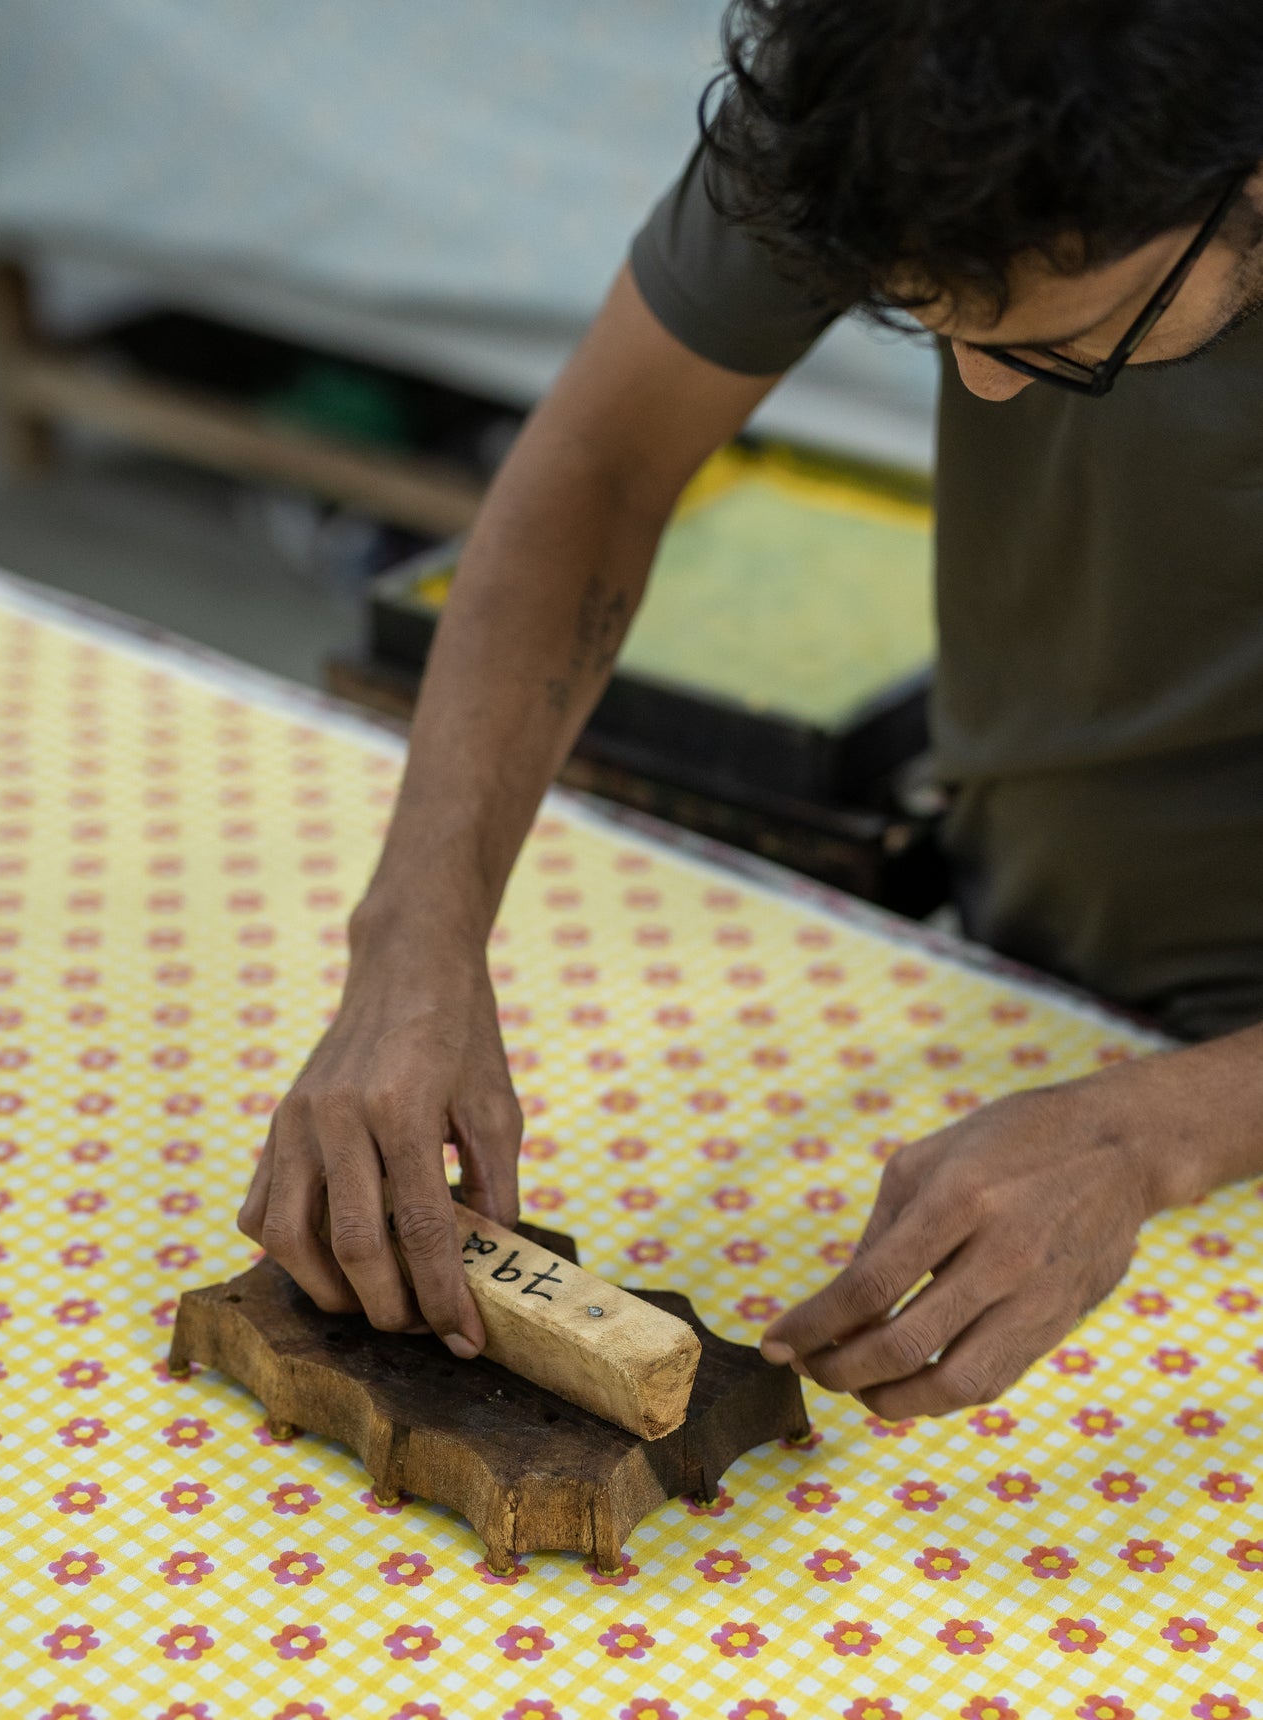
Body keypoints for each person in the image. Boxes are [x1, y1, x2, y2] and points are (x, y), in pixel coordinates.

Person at [240, 0, 1263, 1419]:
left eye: (1063, 345)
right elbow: (604, 452)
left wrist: (1155, 1135)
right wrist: (412, 938)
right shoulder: (894, 65)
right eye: (928, 327)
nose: (981, 388)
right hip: (1047, 942)